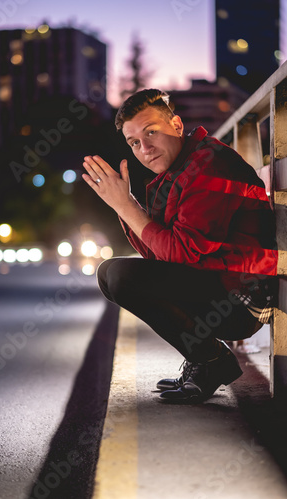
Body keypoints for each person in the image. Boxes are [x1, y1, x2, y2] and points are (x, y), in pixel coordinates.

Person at [82, 88, 278, 404]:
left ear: (176, 125)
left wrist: (126, 207)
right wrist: (125, 204)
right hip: (223, 287)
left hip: (246, 300)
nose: (144, 148)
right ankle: (206, 358)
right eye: (133, 142)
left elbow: (180, 254)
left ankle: (211, 362)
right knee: (110, 274)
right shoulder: (179, 171)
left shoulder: (208, 165)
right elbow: (158, 254)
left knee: (119, 275)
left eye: (151, 132)